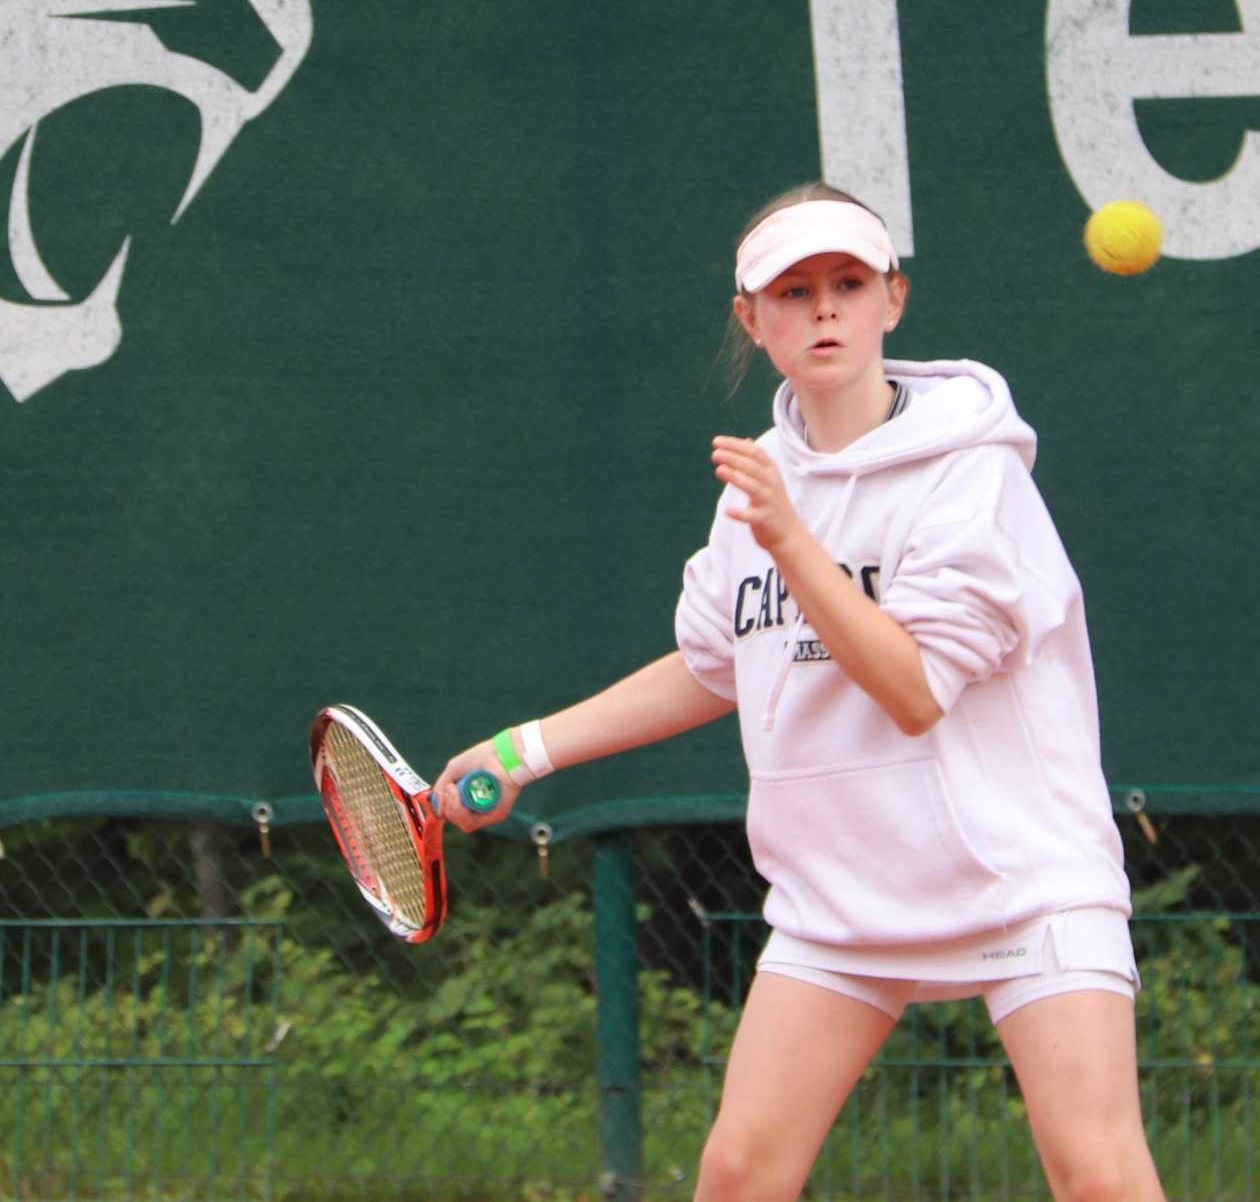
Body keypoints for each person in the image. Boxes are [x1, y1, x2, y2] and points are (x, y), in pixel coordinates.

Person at [436, 183, 1167, 1202]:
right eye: (793, 290)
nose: (824, 307)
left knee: (1095, 1174)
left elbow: (915, 689)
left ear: (892, 299)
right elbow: (713, 661)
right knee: (738, 1174)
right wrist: (525, 751)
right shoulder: (762, 484)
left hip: (1020, 877)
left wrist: (793, 541)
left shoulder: (969, 473)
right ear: (751, 318)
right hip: (842, 898)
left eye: (848, 283)